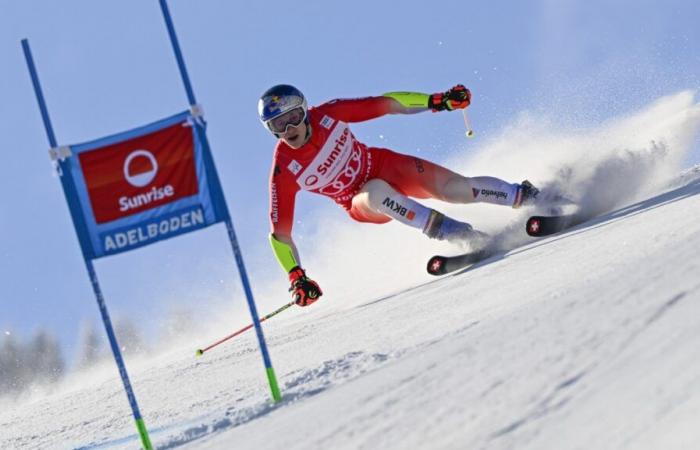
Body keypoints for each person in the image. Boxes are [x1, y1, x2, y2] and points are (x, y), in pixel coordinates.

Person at [259, 84, 539, 307]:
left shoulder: (329, 114)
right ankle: (461, 235)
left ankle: (527, 196)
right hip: (360, 202)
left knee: (457, 189)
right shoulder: (285, 169)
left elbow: (388, 104)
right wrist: (297, 277)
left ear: (304, 111)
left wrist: (437, 101)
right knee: (376, 193)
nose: (288, 130)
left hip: (385, 165)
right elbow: (279, 234)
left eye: (292, 118)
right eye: (277, 125)